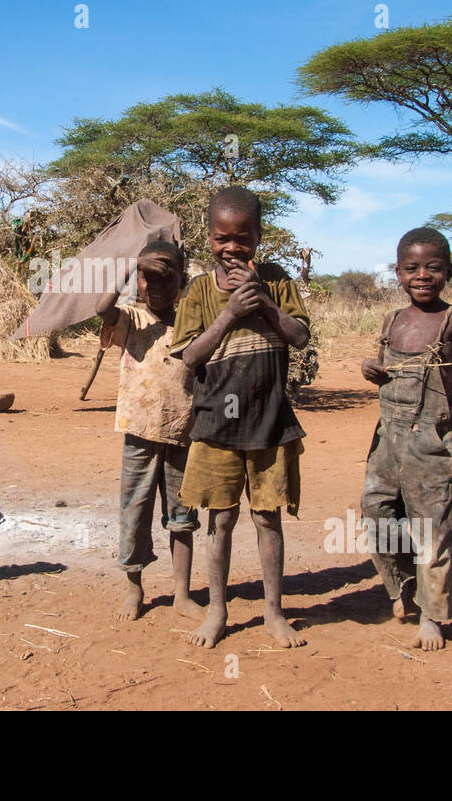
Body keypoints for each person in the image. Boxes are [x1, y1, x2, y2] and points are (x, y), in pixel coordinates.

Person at [170, 187, 311, 649]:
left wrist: (265, 302)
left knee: (269, 520)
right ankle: (217, 610)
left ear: (258, 235)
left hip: (270, 422)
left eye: (242, 238)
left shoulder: (279, 281)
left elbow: (300, 337)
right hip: (216, 425)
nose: (232, 248)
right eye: (221, 238)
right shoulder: (197, 290)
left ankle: (274, 612)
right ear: (208, 236)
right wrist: (230, 313)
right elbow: (189, 356)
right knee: (221, 521)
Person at [359, 227, 452, 650]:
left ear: (449, 272)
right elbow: (384, 370)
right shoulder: (393, 319)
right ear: (398, 272)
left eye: (433, 268)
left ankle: (433, 616)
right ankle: (402, 585)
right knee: (375, 509)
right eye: (412, 268)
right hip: (388, 438)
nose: (422, 276)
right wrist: (371, 371)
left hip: (433, 442)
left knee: (433, 527)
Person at [96, 240, 204, 623]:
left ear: (182, 280)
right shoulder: (131, 319)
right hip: (139, 434)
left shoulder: (193, 321)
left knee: (182, 515)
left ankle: (182, 594)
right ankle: (134, 587)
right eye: (147, 276)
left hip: (182, 432)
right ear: (136, 279)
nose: (155, 285)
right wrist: (130, 262)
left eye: (166, 276)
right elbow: (100, 308)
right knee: (135, 512)